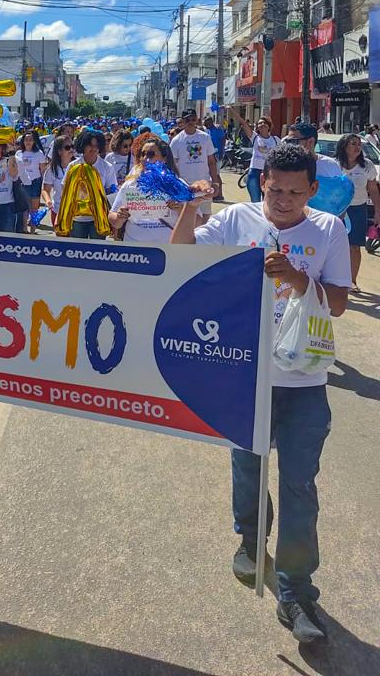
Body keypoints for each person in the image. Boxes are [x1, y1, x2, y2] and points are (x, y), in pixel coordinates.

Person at [170, 143, 350, 644]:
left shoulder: (329, 230)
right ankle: (250, 540)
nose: (284, 200)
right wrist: (189, 204)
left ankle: (296, 590)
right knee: (247, 469)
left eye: (296, 192)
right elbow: (181, 253)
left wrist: (296, 279)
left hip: (304, 385)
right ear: (261, 184)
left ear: (313, 191)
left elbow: (337, 303)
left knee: (298, 487)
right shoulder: (237, 221)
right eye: (275, 190)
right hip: (245, 378)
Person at [108, 137, 188, 243]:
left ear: (164, 158)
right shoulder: (130, 184)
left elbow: (198, 222)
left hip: (168, 251)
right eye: (142, 154)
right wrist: (119, 217)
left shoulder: (178, 185)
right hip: (136, 251)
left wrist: (181, 210)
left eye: (150, 154)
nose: (145, 158)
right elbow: (113, 218)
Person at [335, 133, 379, 292]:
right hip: (337, 210)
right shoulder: (334, 165)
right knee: (335, 246)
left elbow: (373, 190)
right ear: (344, 147)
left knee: (354, 247)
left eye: (359, 144)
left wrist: (377, 211)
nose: (357, 146)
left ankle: (352, 281)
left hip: (358, 210)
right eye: (353, 143)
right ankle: (332, 278)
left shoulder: (367, 166)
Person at [58, 130, 117, 240]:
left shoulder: (107, 166)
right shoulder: (73, 165)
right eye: (90, 145)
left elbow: (112, 192)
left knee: (98, 252)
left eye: (96, 145)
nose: (93, 148)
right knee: (77, 250)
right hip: (77, 218)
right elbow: (64, 189)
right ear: (83, 146)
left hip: (98, 219)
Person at [169, 110, 220, 225]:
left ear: (197, 120)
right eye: (187, 120)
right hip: (185, 187)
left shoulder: (205, 137)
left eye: (193, 119)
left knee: (205, 218)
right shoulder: (176, 141)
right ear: (183, 121)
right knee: (187, 218)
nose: (191, 122)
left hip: (204, 185)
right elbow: (172, 166)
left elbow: (211, 162)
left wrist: (215, 183)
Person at [226, 108, 279, 203]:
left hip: (270, 173)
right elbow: (243, 122)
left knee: (268, 201)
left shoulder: (275, 140)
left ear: (269, 126)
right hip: (254, 173)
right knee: (255, 202)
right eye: (259, 123)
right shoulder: (254, 137)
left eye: (264, 123)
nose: (262, 125)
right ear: (257, 127)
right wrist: (231, 110)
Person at [16, 129, 47, 234]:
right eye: (26, 139)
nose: (28, 141)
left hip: (35, 182)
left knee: (34, 209)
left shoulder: (39, 153)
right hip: (22, 182)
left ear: (34, 141)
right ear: (23, 141)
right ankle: (25, 229)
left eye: (30, 139)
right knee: (24, 208)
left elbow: (42, 170)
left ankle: (33, 230)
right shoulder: (18, 153)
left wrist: (42, 183)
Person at [42, 136, 76, 226]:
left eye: (72, 146)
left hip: (76, 212)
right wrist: (48, 200)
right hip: (58, 210)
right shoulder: (52, 169)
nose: (71, 149)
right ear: (59, 151)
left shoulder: (79, 166)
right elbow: (45, 190)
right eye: (67, 148)